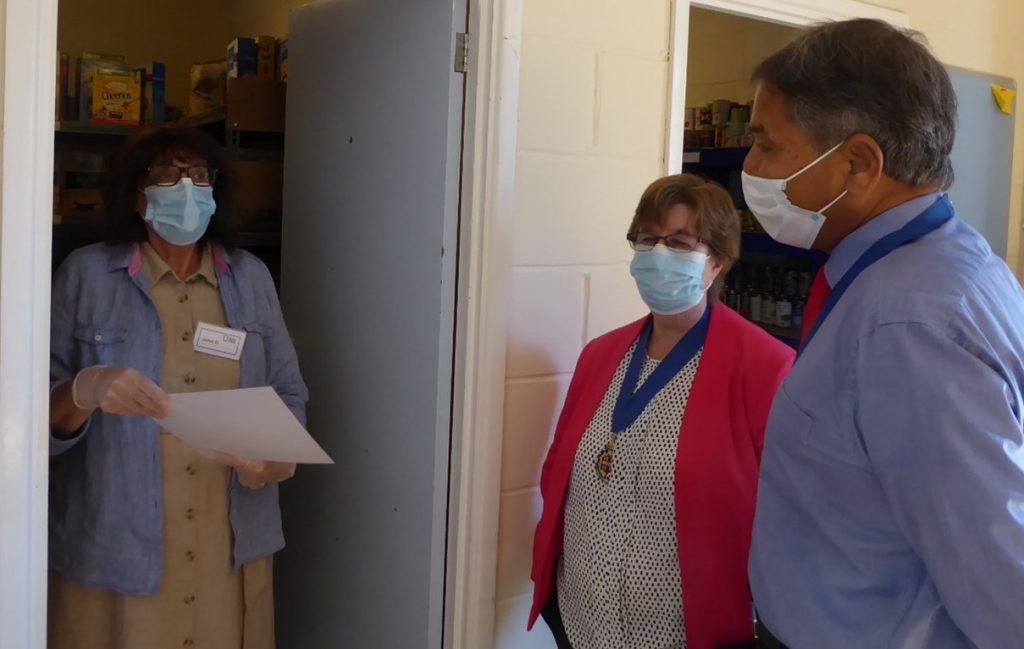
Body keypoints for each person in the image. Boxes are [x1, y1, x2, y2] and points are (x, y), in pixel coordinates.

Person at [744, 19, 1024, 649]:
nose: (751, 166)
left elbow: (1005, 589)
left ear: (859, 163)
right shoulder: (927, 267)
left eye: (767, 145)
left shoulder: (911, 327)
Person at [48, 127, 308, 649]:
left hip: (228, 546)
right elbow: (34, 418)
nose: (186, 188)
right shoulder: (87, 275)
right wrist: (84, 390)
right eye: (167, 175)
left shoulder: (251, 277)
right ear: (135, 195)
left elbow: (288, 393)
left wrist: (276, 460)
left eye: (198, 176)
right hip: (116, 550)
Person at [528, 173, 795, 649]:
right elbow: (558, 471)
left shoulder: (765, 367)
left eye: (678, 242)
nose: (657, 254)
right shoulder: (601, 355)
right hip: (581, 620)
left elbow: (788, 515)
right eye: (647, 239)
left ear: (717, 261)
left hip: (685, 632)